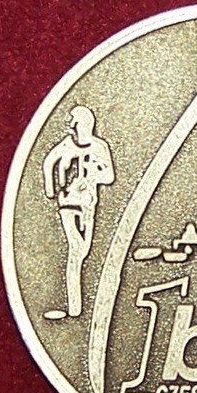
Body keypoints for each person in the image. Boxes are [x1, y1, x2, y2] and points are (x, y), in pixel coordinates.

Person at [42, 105, 115, 317]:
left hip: (88, 205)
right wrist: (51, 190)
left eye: (74, 121)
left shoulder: (99, 147)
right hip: (68, 204)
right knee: (76, 249)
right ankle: (75, 308)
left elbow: (109, 176)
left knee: (83, 251)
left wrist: (94, 174)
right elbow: (48, 163)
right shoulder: (66, 146)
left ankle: (77, 307)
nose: (71, 125)